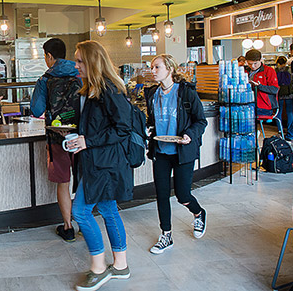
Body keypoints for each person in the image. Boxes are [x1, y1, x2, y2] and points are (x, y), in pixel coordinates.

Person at [66, 41, 132, 291]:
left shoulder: (108, 89)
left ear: (93, 61)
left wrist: (87, 141)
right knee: (108, 210)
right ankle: (121, 265)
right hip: (98, 160)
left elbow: (122, 129)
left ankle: (99, 268)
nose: (76, 65)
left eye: (80, 60)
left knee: (81, 212)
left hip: (105, 163)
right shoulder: (93, 89)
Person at [145, 54, 208, 255]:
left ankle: (199, 213)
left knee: (182, 195)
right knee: (162, 195)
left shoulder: (186, 93)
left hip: (182, 152)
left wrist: (189, 135)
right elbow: (152, 121)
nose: (152, 71)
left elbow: (201, 121)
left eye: (157, 67)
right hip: (161, 151)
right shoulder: (152, 94)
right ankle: (166, 235)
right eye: (152, 67)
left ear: (169, 69)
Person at [30, 38, 81, 242]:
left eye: (45, 56)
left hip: (56, 137)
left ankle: (68, 227)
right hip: (82, 136)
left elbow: (36, 110)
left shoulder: (45, 79)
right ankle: (85, 223)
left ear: (49, 56)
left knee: (63, 182)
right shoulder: (81, 73)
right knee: (83, 180)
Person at [245, 49, 279, 117]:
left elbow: (274, 89)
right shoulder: (245, 71)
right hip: (248, 104)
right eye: (250, 64)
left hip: (264, 107)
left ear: (260, 60)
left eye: (255, 63)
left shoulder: (269, 71)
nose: (253, 66)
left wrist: (259, 86)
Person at [275, 56, 293, 133]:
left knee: (279, 111)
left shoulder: (275, 70)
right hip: (289, 93)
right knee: (289, 112)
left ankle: (280, 129)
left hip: (279, 93)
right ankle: (290, 129)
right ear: (286, 62)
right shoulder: (289, 70)